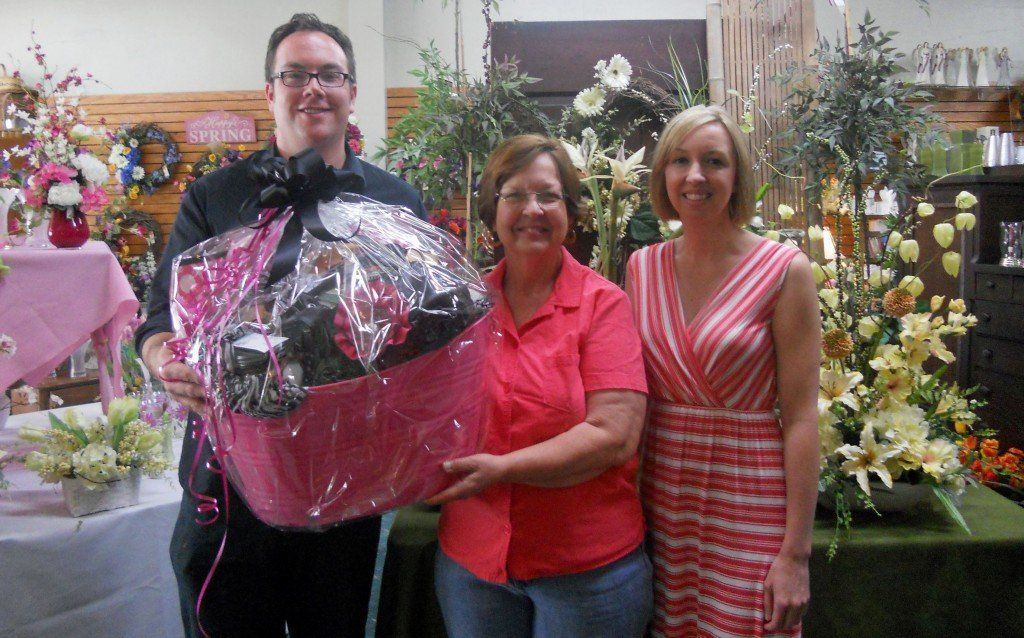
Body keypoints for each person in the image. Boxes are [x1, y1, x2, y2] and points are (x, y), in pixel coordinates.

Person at [135, 13, 427, 637]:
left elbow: (422, 328)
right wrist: (164, 361)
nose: (313, 88)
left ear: (352, 91)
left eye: (329, 74)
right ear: (270, 91)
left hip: (346, 473)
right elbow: (160, 317)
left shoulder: (395, 202)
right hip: (228, 475)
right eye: (295, 74)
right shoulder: (214, 196)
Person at [426, 134, 652, 638]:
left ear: (570, 213)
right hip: (473, 565)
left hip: (588, 575)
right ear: (493, 212)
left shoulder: (604, 305)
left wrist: (501, 470)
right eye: (515, 195)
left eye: (548, 195)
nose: (533, 209)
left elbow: (614, 435)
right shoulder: (460, 308)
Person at [626, 105, 820, 637]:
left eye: (714, 161)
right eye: (680, 161)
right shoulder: (641, 267)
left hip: (749, 499)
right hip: (660, 500)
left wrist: (796, 555)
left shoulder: (784, 270)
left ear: (736, 177)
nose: (695, 176)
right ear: (663, 174)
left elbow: (802, 417)